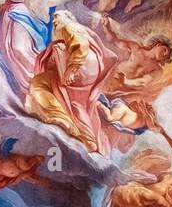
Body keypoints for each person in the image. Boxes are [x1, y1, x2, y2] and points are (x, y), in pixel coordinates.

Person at [25, 11, 117, 153]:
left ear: (68, 17)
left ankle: (60, 118)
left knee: (39, 84)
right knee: (75, 103)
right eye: (53, 17)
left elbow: (80, 44)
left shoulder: (69, 26)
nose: (54, 20)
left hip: (81, 68)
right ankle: (87, 139)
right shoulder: (71, 32)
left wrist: (73, 66)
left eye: (57, 16)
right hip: (86, 74)